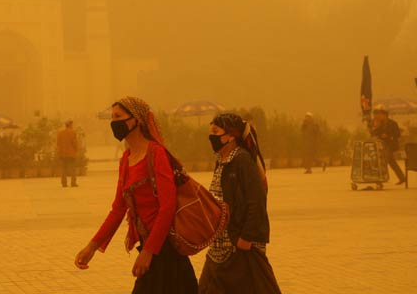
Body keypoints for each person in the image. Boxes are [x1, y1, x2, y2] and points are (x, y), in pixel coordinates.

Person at [74, 97, 197, 293]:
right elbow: (118, 209)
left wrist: (149, 251)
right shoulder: (126, 159)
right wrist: (91, 247)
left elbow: (167, 207)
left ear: (137, 120)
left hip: (166, 250)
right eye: (112, 117)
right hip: (148, 246)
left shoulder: (156, 154)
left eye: (118, 116)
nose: (114, 122)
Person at [199, 113, 280, 294]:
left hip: (240, 245)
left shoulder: (242, 160)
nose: (211, 137)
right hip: (220, 246)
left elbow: (257, 201)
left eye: (215, 132)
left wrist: (246, 237)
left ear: (230, 136)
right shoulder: (221, 161)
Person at [371, 105, 406, 185]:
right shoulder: (380, 123)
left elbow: (398, 134)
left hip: (391, 145)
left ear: (385, 115)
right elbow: (374, 133)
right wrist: (375, 127)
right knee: (392, 162)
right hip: (383, 145)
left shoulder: (393, 123)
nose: (379, 116)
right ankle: (402, 177)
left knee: (384, 161)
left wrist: (389, 136)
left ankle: (380, 179)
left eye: (380, 115)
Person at [57, 120, 79, 187]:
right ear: (70, 125)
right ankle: (73, 183)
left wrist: (59, 152)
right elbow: (74, 143)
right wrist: (76, 150)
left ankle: (64, 183)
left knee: (63, 169)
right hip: (71, 154)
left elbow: (58, 143)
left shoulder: (60, 133)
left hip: (62, 153)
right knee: (72, 169)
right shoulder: (73, 132)